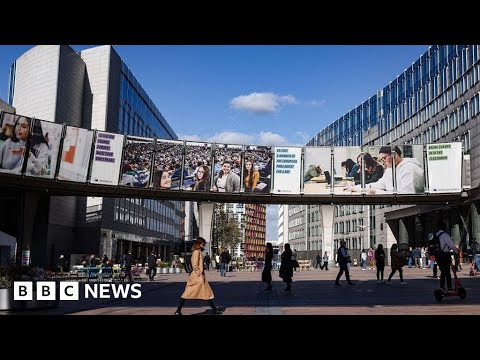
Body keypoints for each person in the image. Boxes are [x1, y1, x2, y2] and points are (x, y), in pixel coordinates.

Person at [174, 237, 223, 315]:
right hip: (197, 277)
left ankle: (214, 310)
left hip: (197, 276)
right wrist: (199, 273)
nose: (203, 246)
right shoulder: (197, 251)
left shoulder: (198, 251)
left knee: (205, 293)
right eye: (203, 244)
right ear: (199, 244)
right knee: (191, 293)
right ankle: (178, 311)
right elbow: (195, 264)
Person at [345, 146, 424, 194]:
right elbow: (378, 185)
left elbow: (406, 195)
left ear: (394, 155)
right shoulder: (391, 169)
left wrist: (376, 192)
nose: (383, 163)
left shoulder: (410, 169)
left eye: (384, 158)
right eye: (381, 160)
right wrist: (355, 188)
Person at [435, 222, 458, 292]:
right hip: (444, 255)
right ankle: (449, 288)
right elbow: (451, 245)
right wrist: (456, 252)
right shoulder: (445, 235)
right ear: (444, 228)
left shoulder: (435, 235)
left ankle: (442, 287)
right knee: (447, 272)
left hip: (437, 255)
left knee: (442, 271)